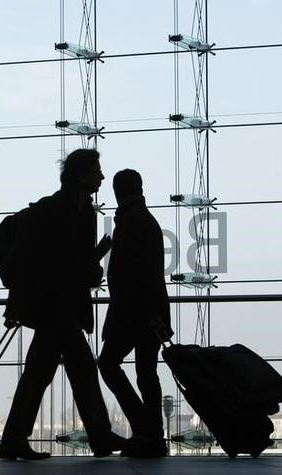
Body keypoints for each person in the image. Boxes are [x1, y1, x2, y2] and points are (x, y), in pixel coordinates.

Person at [0, 148, 125, 460]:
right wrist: (96, 259)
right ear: (82, 176)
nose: (101, 176)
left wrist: (91, 260)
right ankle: (96, 434)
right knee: (70, 371)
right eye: (96, 171)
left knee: (48, 373)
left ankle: (18, 439)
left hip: (56, 306)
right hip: (56, 306)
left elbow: (68, 263)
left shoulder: (74, 211)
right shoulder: (60, 212)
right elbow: (64, 264)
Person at [98, 169, 173, 458]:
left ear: (117, 192)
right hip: (150, 311)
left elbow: (128, 276)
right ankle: (151, 433)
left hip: (133, 313)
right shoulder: (144, 220)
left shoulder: (130, 222)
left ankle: (146, 427)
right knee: (146, 372)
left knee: (109, 364)